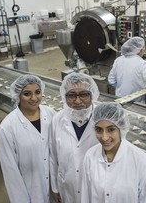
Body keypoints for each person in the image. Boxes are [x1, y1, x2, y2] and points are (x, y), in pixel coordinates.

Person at [81, 102, 146, 203]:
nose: (104, 137)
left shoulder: (140, 160)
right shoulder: (90, 156)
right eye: (99, 130)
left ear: (121, 128)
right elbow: (86, 197)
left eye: (111, 129)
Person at [0, 74, 56, 202]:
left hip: (55, 189)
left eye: (38, 92)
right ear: (18, 95)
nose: (34, 98)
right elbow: (10, 171)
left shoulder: (51, 114)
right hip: (31, 192)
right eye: (27, 94)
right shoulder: (7, 127)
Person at [50, 72, 100, 203]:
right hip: (68, 188)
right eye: (71, 95)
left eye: (83, 94)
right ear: (64, 96)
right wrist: (55, 188)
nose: (77, 101)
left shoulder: (102, 117)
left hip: (96, 188)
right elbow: (53, 157)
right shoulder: (57, 119)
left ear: (92, 94)